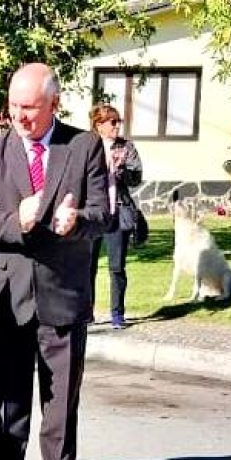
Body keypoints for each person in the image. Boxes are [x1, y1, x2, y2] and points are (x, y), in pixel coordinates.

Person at [0, 63, 110, 460]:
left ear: (55, 103)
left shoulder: (84, 146)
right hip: (9, 300)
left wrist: (77, 220)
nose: (20, 116)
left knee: (60, 417)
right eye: (14, 106)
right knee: (6, 415)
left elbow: (103, 214)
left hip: (62, 298)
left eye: (30, 107)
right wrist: (18, 221)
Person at [87, 103, 142, 329]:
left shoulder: (126, 147)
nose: (117, 126)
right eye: (112, 122)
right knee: (87, 265)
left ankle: (117, 313)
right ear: (99, 125)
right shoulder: (88, 147)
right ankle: (85, 312)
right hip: (91, 213)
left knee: (116, 266)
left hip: (117, 212)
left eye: (118, 121)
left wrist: (122, 171)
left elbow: (136, 177)